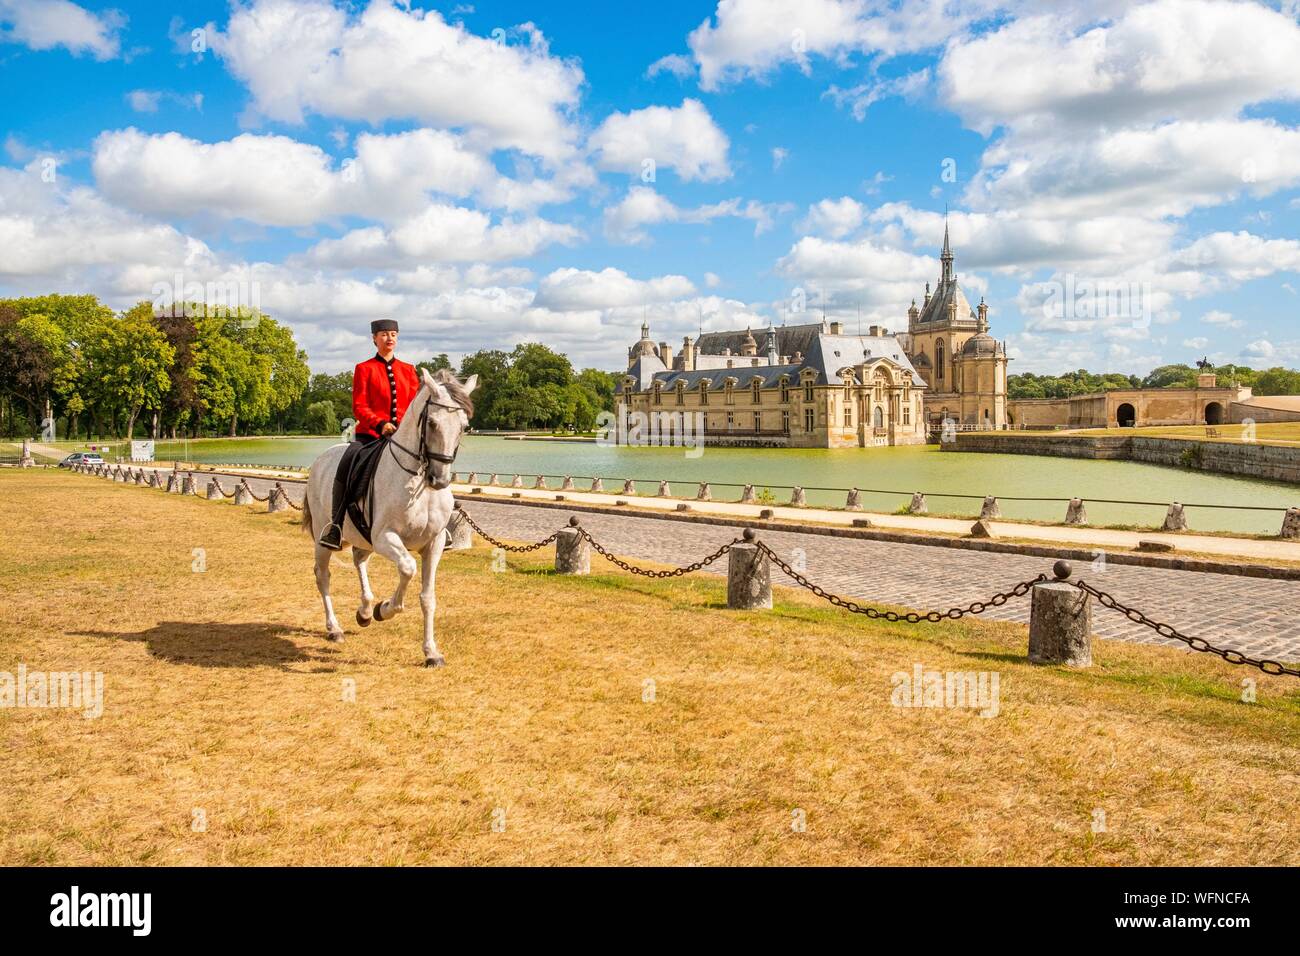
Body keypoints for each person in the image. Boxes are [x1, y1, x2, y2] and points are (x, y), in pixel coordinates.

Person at [318, 319, 421, 550]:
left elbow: (414, 405)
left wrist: (404, 427)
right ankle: (335, 525)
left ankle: (442, 522)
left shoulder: (408, 370)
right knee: (347, 462)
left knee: (433, 462)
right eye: (384, 334)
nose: (390, 338)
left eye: (393, 334)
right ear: (374, 338)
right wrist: (380, 423)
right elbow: (359, 406)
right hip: (370, 435)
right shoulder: (364, 368)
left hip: (403, 438)